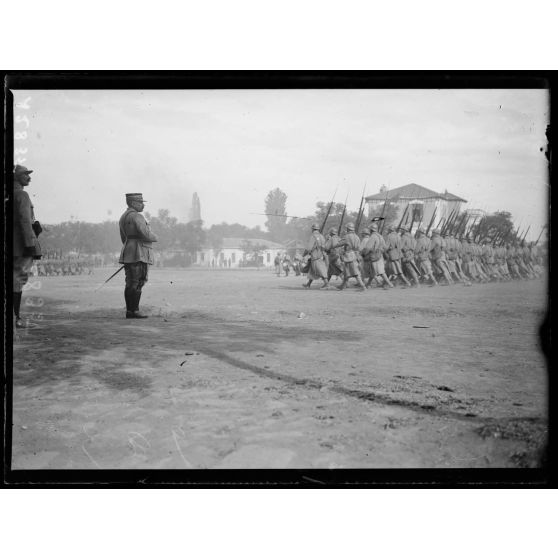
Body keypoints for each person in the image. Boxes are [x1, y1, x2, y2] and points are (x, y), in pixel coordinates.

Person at [119, 193, 158, 318]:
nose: (143, 205)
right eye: (141, 203)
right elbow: (146, 234)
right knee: (138, 282)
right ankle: (134, 311)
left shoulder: (123, 217)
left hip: (128, 251)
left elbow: (123, 237)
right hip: (139, 252)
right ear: (134, 203)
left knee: (130, 282)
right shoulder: (137, 216)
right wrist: (155, 237)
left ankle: (130, 311)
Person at [13, 164, 42, 328]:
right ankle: (16, 317)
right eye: (25, 174)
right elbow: (24, 220)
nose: (29, 177)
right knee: (18, 279)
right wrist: (30, 243)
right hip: (21, 245)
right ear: (16, 176)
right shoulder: (22, 195)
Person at [334, 222, 366, 291]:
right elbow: (359, 248)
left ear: (348, 229)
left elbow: (338, 244)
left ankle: (363, 287)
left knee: (355, 273)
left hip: (348, 256)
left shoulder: (346, 236)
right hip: (355, 255)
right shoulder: (357, 237)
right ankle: (342, 286)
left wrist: (335, 242)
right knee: (346, 272)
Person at [362, 222, 393, 288]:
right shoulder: (380, 236)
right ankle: (368, 284)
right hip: (380, 255)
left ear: (371, 230)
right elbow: (385, 247)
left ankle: (390, 284)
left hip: (374, 256)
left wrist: (364, 254)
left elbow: (368, 247)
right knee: (373, 271)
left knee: (380, 272)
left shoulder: (373, 237)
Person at [302, 223, 329, 289]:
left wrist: (304, 255)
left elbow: (308, 248)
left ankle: (326, 284)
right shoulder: (322, 236)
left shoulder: (313, 236)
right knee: (312, 271)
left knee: (320, 270)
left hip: (315, 257)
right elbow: (325, 246)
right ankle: (308, 284)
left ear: (313, 229)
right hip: (320, 256)